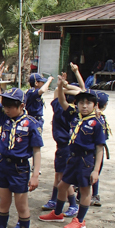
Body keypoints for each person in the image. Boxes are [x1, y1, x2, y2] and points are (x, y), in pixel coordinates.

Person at [0, 62, 43, 228]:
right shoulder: (4, 118)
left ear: (22, 106)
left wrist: (35, 175)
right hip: (3, 166)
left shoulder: (31, 124)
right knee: (3, 204)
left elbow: (36, 151)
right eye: (6, 105)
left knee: (22, 206)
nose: (7, 108)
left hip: (20, 169)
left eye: (11, 106)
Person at [39, 78, 106, 228]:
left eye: (88, 103)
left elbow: (100, 148)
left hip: (86, 159)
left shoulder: (96, 123)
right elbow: (62, 102)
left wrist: (95, 170)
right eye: (81, 103)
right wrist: (61, 87)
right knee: (62, 185)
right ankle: (57, 213)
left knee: (84, 190)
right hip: (72, 157)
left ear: (95, 106)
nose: (84, 106)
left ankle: (80, 220)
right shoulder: (75, 116)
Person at [41, 63, 84, 217]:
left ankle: (72, 204)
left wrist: (61, 87)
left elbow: (79, 92)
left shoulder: (64, 109)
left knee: (63, 177)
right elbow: (81, 90)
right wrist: (66, 85)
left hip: (66, 147)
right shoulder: (73, 111)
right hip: (62, 147)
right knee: (59, 175)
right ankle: (54, 199)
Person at [89, 90, 111, 207]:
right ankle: (94, 194)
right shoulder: (99, 119)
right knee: (93, 172)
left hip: (95, 149)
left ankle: (92, 195)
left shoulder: (95, 118)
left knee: (92, 172)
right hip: (96, 150)